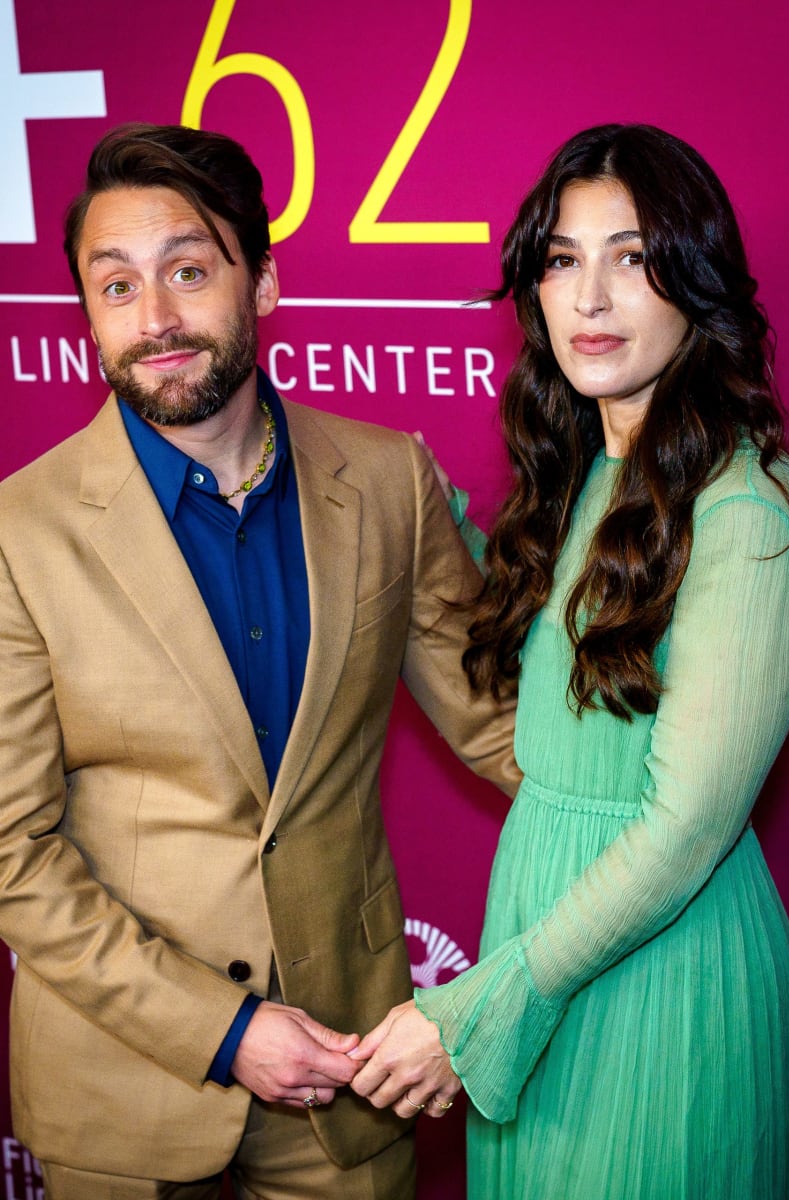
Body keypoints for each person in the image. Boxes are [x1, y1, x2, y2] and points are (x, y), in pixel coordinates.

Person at [0, 123, 520, 1199]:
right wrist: (225, 1028)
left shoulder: (385, 480)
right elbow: (12, 853)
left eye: (189, 272)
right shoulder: (19, 532)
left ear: (264, 282)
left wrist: (676, 805)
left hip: (351, 1068)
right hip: (122, 1096)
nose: (155, 321)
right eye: (115, 287)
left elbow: (495, 727)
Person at [349, 124, 789, 1198]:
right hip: (547, 938)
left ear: (693, 279)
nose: (589, 296)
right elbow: (546, 699)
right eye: (560, 259)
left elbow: (684, 823)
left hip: (654, 966)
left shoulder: (746, 508)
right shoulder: (585, 475)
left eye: (631, 257)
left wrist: (479, 1008)